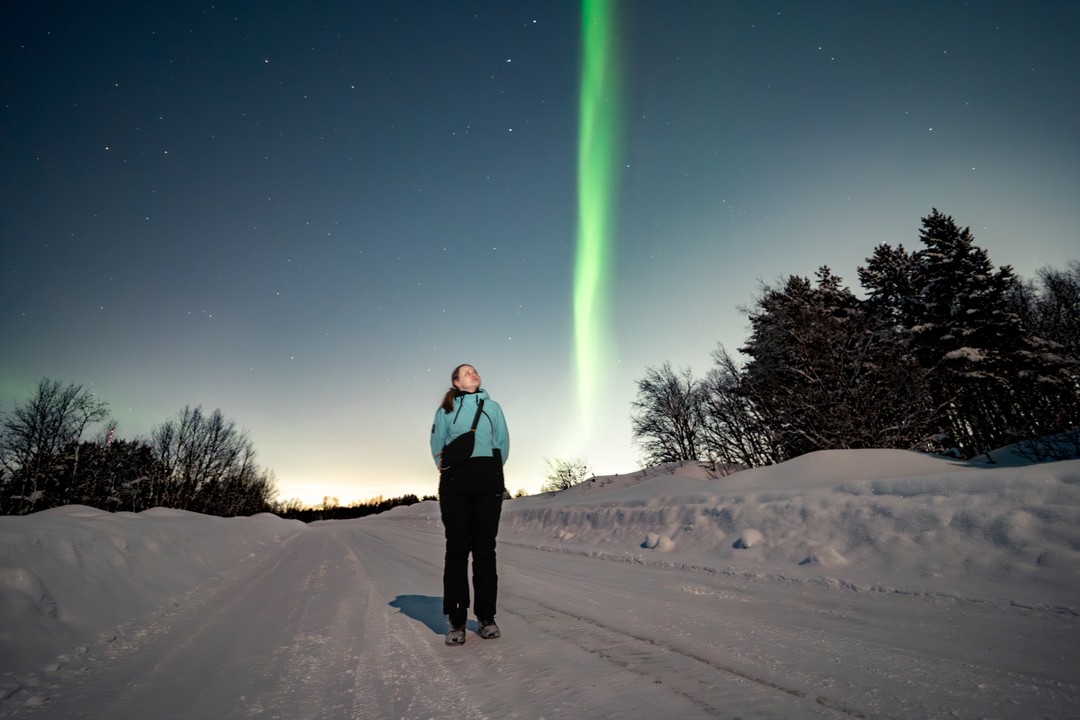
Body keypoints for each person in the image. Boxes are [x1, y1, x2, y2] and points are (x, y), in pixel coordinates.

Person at [430, 363, 510, 646]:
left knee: (485, 550)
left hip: (487, 480)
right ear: (456, 382)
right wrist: (452, 470)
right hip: (455, 484)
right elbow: (437, 445)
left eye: (475, 370)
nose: (473, 374)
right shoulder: (446, 410)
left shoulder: (493, 408)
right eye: (466, 372)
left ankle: (487, 617)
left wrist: (490, 471)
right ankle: (456, 620)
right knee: (457, 550)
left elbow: (502, 444)